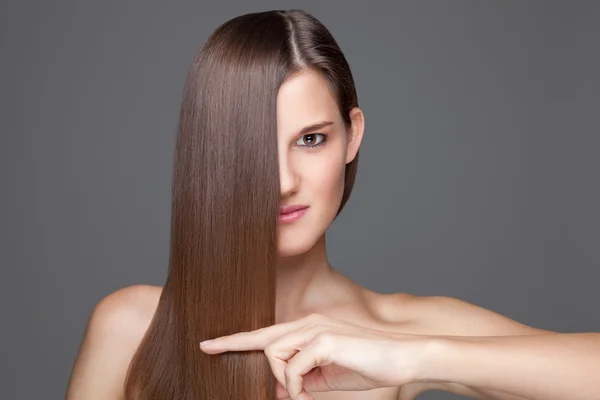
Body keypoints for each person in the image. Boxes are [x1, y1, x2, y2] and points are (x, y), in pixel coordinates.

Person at [65, 9, 600, 400]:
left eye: (311, 139)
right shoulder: (133, 326)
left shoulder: (395, 330)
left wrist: (411, 355)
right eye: (249, 146)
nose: (281, 181)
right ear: (210, 156)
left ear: (353, 136)